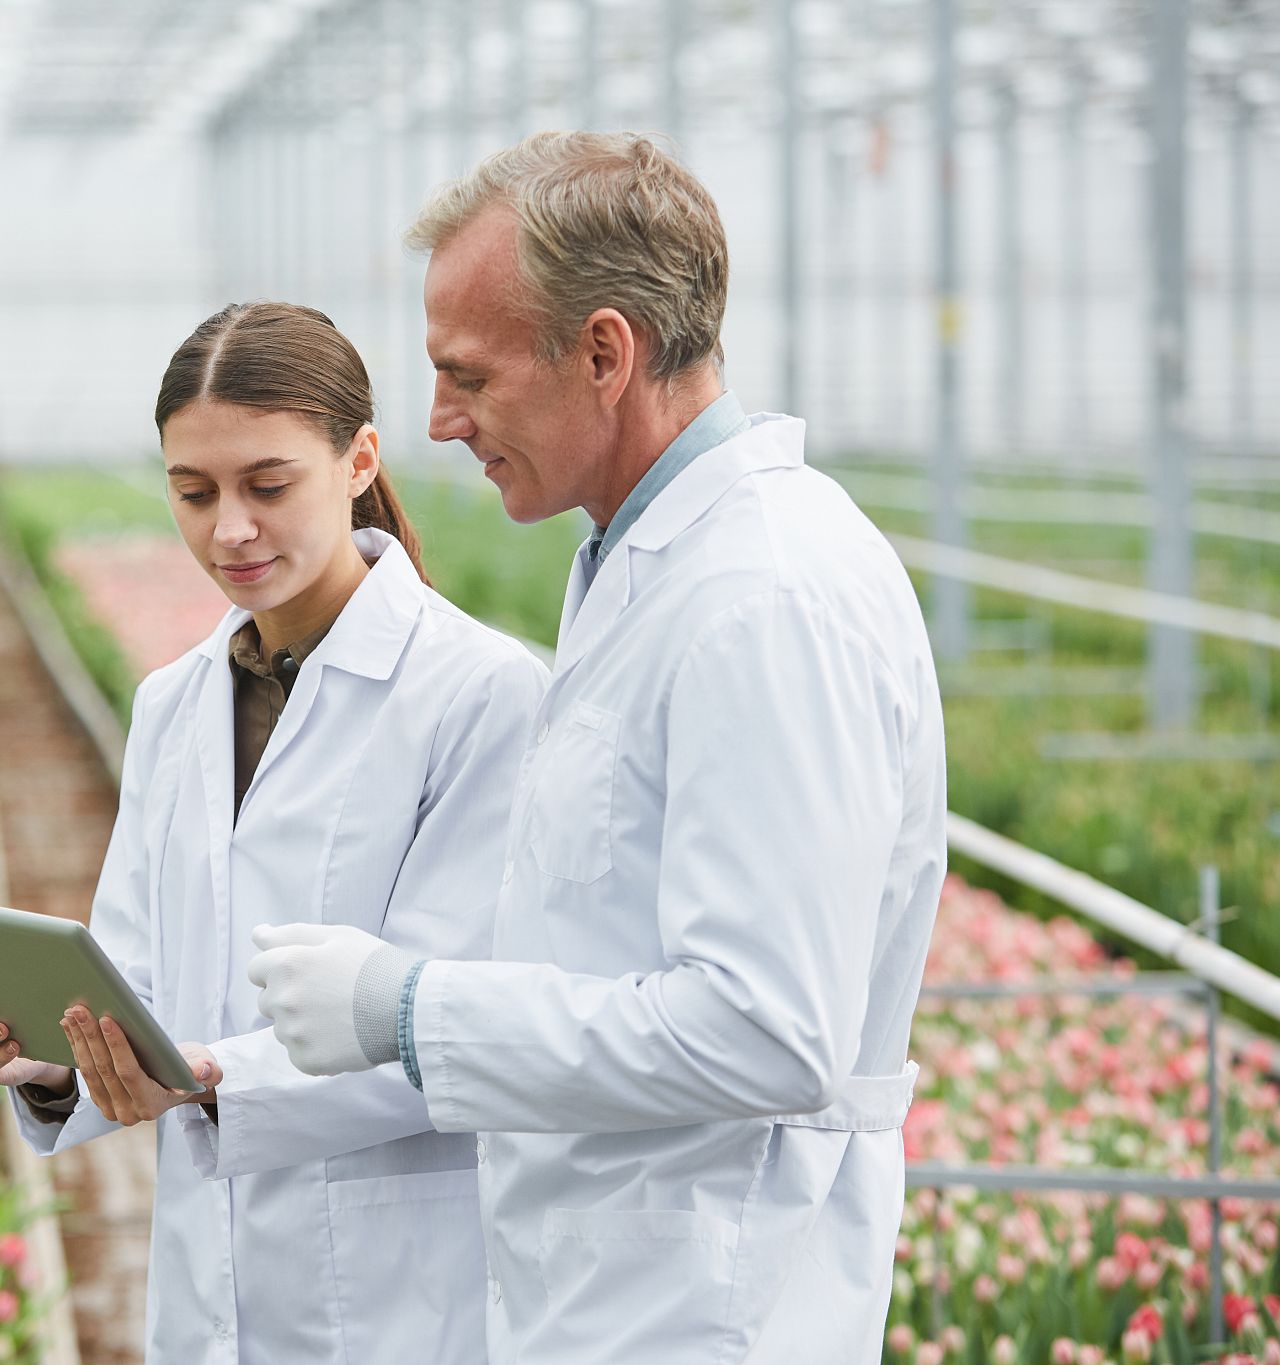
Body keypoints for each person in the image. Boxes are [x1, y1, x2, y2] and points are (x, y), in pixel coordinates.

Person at [248, 132, 946, 1363]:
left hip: (711, 1305)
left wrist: (410, 1008)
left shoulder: (763, 595)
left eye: (466, 374)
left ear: (604, 353)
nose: (437, 419)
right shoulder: (636, 563)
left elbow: (764, 1031)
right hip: (609, 1294)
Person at [0, 301, 548, 1363]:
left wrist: (214, 1081)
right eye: (192, 492)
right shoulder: (174, 703)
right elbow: (139, 975)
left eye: (268, 486)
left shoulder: (478, 694)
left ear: (357, 462)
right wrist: (50, 1056)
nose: (228, 531)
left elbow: (459, 1022)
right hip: (208, 1286)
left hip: (403, 1297)